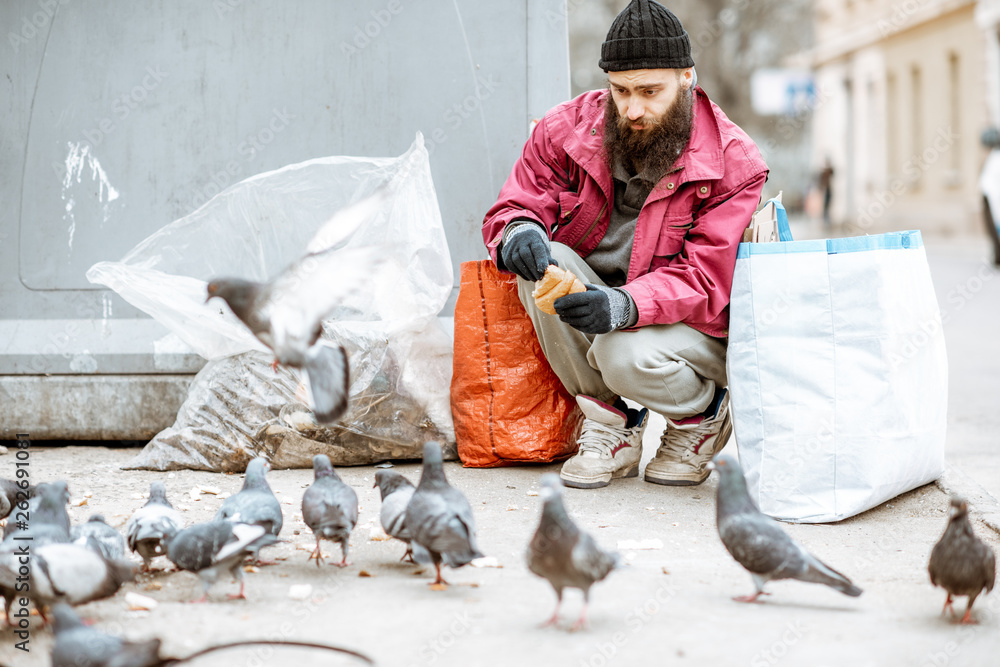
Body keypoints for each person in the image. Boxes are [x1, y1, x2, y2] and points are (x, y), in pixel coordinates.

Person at [481, 0, 768, 490]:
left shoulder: (733, 162)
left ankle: (701, 417)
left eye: (650, 92)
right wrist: (518, 232)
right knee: (543, 262)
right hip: (602, 308)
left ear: (686, 78)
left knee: (623, 353)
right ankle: (613, 426)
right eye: (621, 91)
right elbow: (516, 204)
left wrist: (625, 305)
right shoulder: (564, 128)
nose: (633, 109)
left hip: (693, 326)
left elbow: (705, 279)